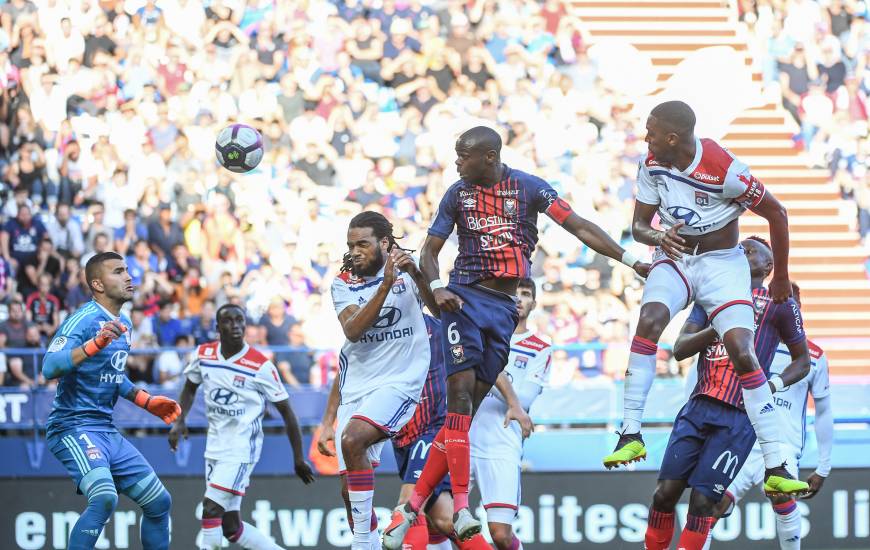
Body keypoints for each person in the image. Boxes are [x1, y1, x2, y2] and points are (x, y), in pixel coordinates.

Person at [383, 125, 649, 547]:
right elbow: (430, 250)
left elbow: (578, 226)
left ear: (488, 157)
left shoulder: (529, 188)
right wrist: (437, 288)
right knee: (461, 399)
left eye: (462, 155)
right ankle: (463, 505)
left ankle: (411, 506)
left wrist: (632, 260)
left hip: (504, 310)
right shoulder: (457, 194)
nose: (455, 162)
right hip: (464, 300)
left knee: (461, 416)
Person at [604, 101, 808, 499]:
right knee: (649, 323)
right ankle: (630, 433)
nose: (646, 139)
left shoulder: (726, 169)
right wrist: (657, 237)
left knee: (742, 350)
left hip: (720, 264)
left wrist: (780, 275)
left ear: (674, 138)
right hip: (676, 257)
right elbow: (640, 226)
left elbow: (777, 214)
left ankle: (776, 466)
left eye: (651, 132)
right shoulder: (652, 163)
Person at [644, 238, 811, 550]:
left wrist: (772, 386)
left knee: (703, 503)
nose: (741, 251)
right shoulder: (710, 296)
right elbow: (680, 348)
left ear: (767, 266)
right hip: (697, 407)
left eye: (750, 250)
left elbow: (803, 362)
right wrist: (720, 324)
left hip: (738, 416)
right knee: (663, 495)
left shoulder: (780, 303)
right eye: (739, 248)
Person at [41, 251, 181, 550]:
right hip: (73, 427)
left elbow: (113, 375)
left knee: (159, 502)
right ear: (98, 284)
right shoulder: (83, 321)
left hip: (106, 430)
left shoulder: (124, 323)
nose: (128, 276)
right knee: (104, 496)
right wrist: (93, 345)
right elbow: (49, 367)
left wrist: (146, 400)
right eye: (118, 271)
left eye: (127, 270)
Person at [318, 314, 493, 550]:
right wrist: (328, 422)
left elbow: (478, 362)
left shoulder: (440, 329)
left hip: (432, 430)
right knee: (443, 517)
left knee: (408, 509)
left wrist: (507, 400)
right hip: (402, 438)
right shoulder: (380, 329)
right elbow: (346, 374)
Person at [329, 210, 439, 549]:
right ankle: (371, 540)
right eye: (351, 245)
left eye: (363, 243)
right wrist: (387, 284)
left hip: (400, 382)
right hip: (357, 387)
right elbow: (354, 329)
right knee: (349, 493)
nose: (354, 251)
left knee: (353, 440)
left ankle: (363, 544)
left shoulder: (408, 274)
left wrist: (418, 277)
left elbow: (438, 310)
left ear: (385, 243)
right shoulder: (342, 283)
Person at [169, 303, 314, 550]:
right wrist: (179, 420)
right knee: (230, 526)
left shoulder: (260, 365)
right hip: (214, 445)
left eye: (240, 320)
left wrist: (298, 457)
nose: (236, 326)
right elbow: (190, 387)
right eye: (229, 321)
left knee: (210, 507)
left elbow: (288, 412)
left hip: (242, 448)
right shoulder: (203, 355)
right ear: (217, 327)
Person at [701, 336, 833, 550]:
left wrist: (823, 467)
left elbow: (824, 410)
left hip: (782, 446)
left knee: (783, 498)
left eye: (794, 300)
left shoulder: (815, 355)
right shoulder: (746, 340)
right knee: (709, 506)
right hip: (740, 441)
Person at [470, 278, 549, 550]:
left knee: (501, 535)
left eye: (525, 294)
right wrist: (503, 384)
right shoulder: (480, 334)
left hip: (502, 443)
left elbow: (524, 400)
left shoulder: (540, 347)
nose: (518, 299)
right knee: (438, 520)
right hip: (463, 435)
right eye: (514, 293)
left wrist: (485, 370)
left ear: (534, 303)